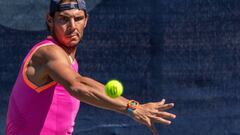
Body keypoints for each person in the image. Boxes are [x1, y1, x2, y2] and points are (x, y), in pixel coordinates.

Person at [6, 0, 176, 135]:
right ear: (50, 20)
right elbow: (77, 85)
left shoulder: (69, 61)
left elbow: (82, 85)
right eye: (64, 19)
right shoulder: (47, 52)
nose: (72, 26)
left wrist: (133, 106)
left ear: (86, 20)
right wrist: (132, 108)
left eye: (78, 18)